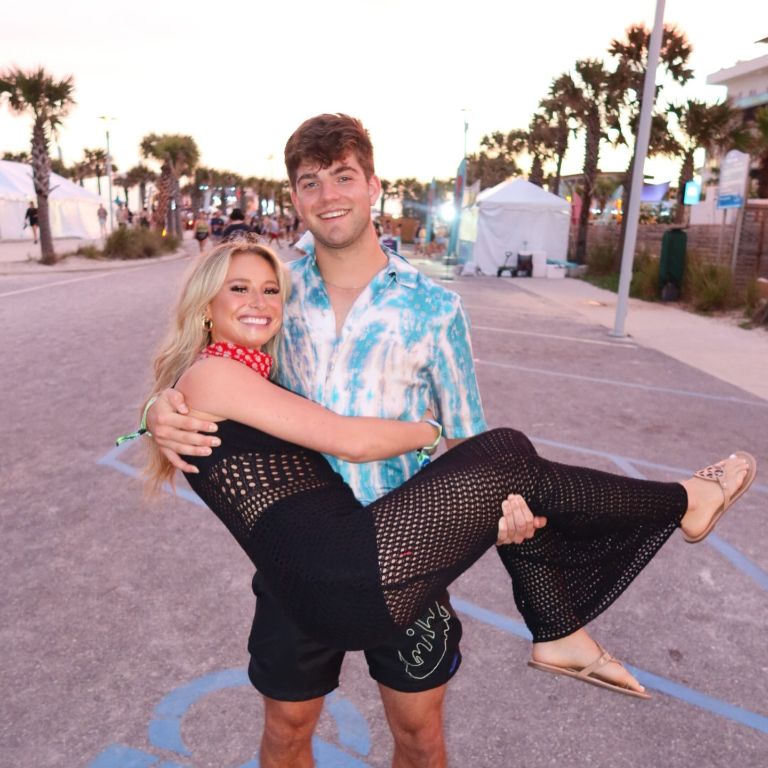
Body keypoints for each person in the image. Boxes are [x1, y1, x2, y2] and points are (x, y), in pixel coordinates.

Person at [140, 114, 752, 767]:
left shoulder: (434, 308)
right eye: (310, 183)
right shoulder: (280, 290)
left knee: (418, 737)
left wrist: (502, 508)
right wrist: (159, 407)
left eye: (343, 176)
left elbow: (464, 439)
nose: (328, 196)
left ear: (374, 184)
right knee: (288, 733)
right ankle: (604, 579)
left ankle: (571, 611)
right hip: (303, 563)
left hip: (408, 548)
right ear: (295, 198)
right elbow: (220, 363)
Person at [139, 237, 755, 686]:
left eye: (271, 288)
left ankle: (559, 630)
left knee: (509, 462)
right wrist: (430, 431)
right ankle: (682, 504)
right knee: (505, 451)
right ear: (205, 305)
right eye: (238, 288)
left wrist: (155, 409)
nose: (260, 300)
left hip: (347, 563)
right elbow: (346, 440)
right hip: (342, 571)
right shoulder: (214, 375)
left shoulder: (225, 379)